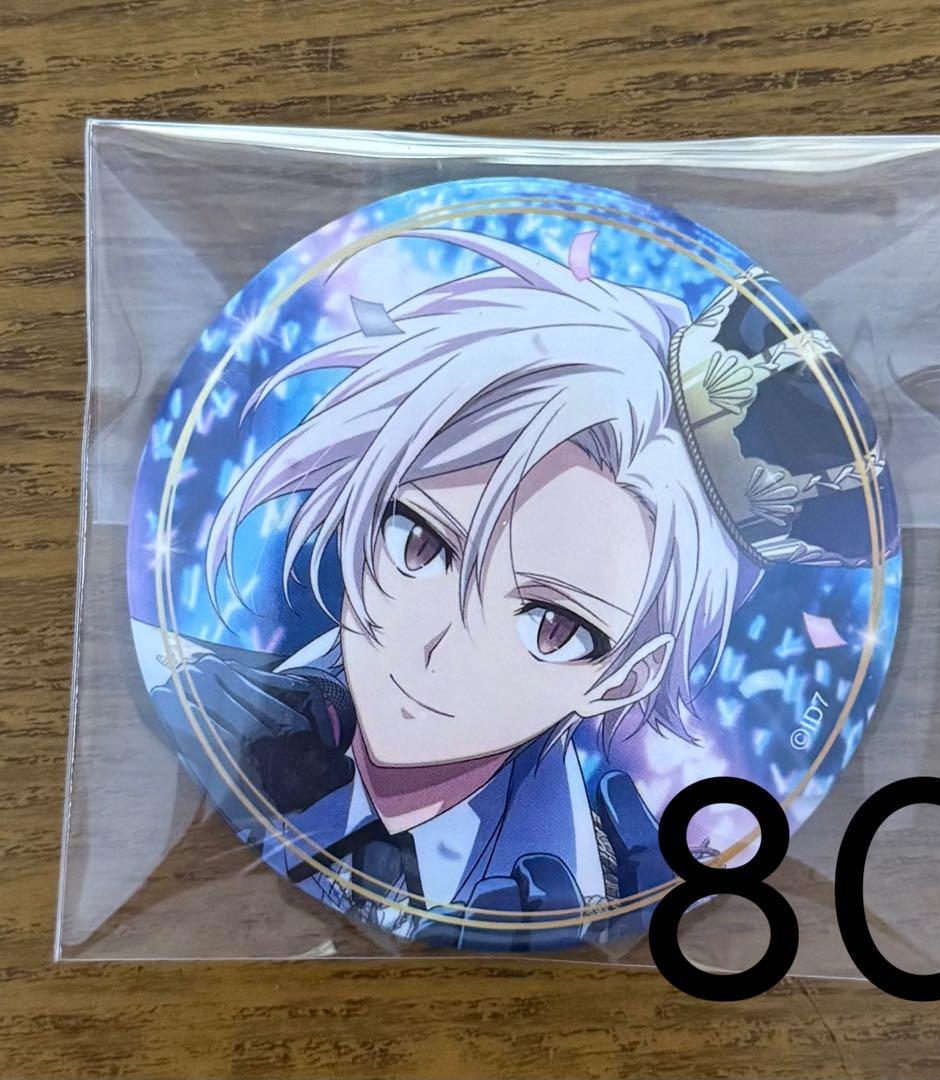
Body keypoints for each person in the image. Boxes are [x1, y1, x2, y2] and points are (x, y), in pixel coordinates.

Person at [146, 227, 759, 949]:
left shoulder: (593, 894)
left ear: (624, 677)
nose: (437, 652)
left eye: (550, 627)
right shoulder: (178, 706)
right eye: (421, 544)